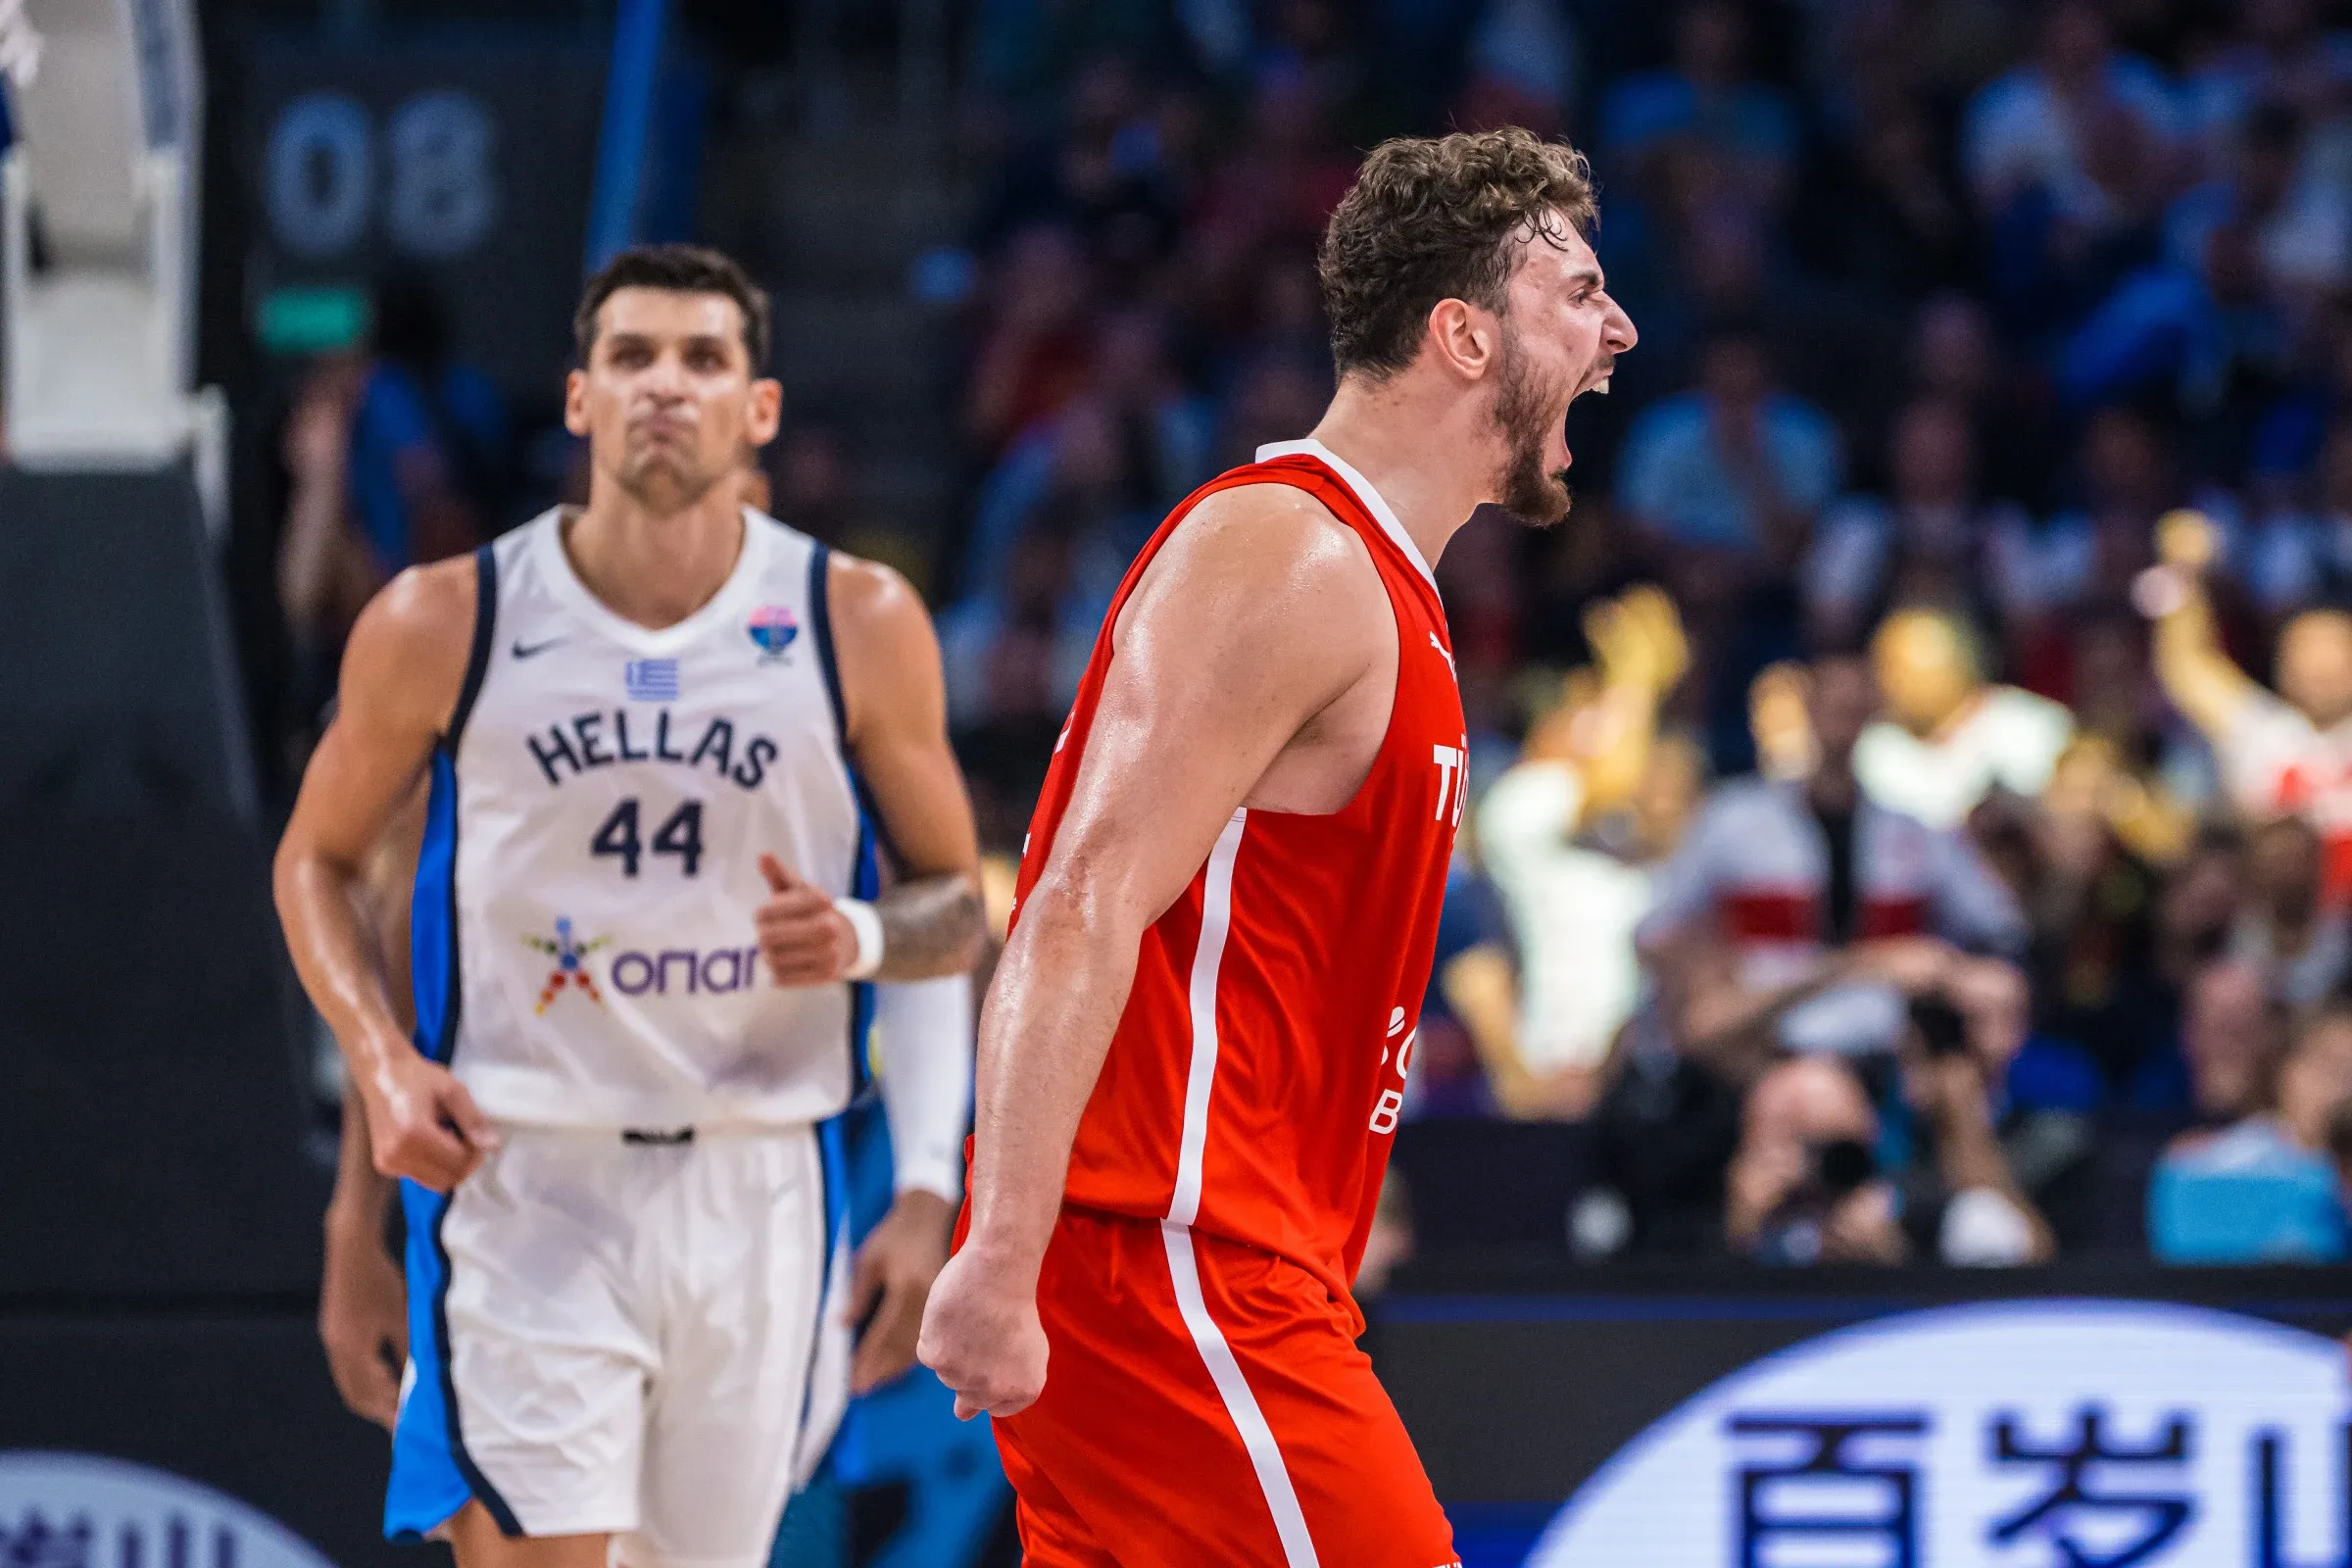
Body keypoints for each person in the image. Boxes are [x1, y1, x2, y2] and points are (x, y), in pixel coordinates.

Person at [916, 127, 1637, 1565]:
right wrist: (1001, 1250)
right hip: (1165, 1260)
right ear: (1463, 336)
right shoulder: (1288, 555)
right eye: (1579, 294)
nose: (1617, 329)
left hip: (1224, 1260)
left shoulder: (1381, 585)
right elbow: (1076, 903)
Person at [274, 244, 985, 1568]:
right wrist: (377, 1071)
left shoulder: (857, 621)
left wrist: (866, 948)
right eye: (632, 357)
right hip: (529, 1173)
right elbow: (315, 860)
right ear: (580, 400)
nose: (667, 384)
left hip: (762, 1185)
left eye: (704, 359)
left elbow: (958, 906)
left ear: (757, 408)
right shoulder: (447, 620)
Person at [2148, 508, 2352, 903]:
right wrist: (2183, 574)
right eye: (2304, 652)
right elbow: (2187, 666)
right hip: (2263, 927)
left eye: (2334, 652)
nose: (2318, 667)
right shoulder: (2263, 733)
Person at [1854, 605, 2076, 831]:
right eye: (1884, 671)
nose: (1891, 685)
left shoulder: (2031, 726)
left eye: (1902, 670)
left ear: (1956, 665)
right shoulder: (1875, 746)